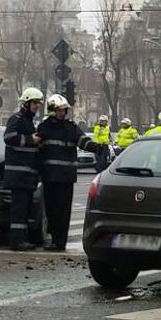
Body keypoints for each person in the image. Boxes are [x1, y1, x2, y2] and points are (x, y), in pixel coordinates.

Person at [36, 94, 98, 252]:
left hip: (65, 178)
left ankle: (60, 242)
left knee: (64, 211)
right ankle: (54, 238)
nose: (64, 113)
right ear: (53, 110)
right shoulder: (44, 128)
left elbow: (82, 140)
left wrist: (96, 147)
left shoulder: (70, 127)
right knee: (51, 210)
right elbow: (37, 150)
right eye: (62, 110)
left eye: (65, 110)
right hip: (50, 177)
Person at [3, 88, 44, 252]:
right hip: (18, 175)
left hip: (27, 176)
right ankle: (17, 241)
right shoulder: (17, 119)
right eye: (34, 103)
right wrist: (30, 139)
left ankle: (23, 239)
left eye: (38, 103)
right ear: (26, 103)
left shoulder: (28, 121)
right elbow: (8, 137)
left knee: (25, 209)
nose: (37, 106)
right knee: (19, 211)